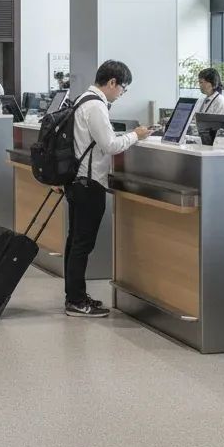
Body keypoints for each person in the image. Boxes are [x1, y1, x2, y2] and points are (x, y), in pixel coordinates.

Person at [64, 60, 152, 318]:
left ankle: (74, 294)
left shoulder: (82, 99)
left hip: (77, 181)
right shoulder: (96, 106)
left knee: (75, 240)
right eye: (123, 88)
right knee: (82, 243)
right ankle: (76, 300)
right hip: (90, 183)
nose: (122, 94)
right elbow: (110, 144)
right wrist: (136, 135)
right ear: (112, 82)